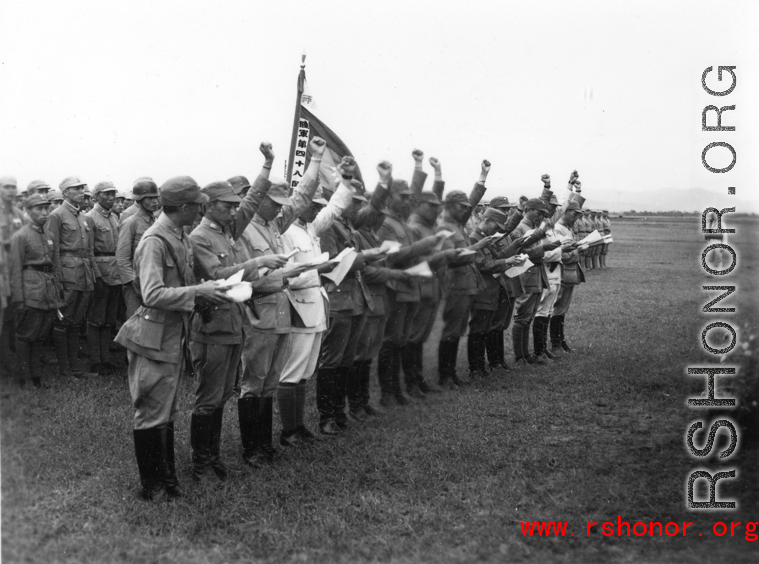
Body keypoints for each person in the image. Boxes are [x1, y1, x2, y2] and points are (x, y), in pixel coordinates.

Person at [115, 176, 231, 501]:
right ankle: (153, 487)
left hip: (170, 335)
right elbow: (151, 293)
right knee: (151, 410)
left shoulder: (178, 234)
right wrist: (198, 292)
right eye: (197, 205)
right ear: (183, 207)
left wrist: (207, 294)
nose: (201, 209)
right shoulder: (155, 240)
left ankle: (167, 481)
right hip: (152, 336)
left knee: (164, 411)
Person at [188, 157, 288, 481]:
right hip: (212, 326)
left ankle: (213, 457)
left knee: (221, 396)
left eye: (235, 207)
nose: (235, 212)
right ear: (209, 206)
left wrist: (267, 166)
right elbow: (217, 276)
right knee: (208, 397)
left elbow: (253, 199)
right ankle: (201, 462)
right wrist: (258, 262)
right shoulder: (201, 238)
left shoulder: (226, 230)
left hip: (232, 323)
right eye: (228, 207)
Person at [236, 139, 320, 466]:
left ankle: (264, 444)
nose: (278, 208)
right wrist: (285, 276)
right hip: (258, 315)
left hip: (280, 313)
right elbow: (244, 280)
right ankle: (250, 448)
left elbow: (300, 200)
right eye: (272, 202)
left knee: (270, 382)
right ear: (258, 201)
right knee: (253, 383)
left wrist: (315, 159)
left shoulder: (272, 224)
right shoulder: (242, 231)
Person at [277, 158, 356, 445]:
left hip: (316, 308)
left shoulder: (309, 228)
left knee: (306, 371)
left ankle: (298, 427)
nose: (319, 210)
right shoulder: (286, 233)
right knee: (292, 370)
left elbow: (334, 209)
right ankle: (289, 430)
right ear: (301, 205)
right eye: (314, 205)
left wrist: (345, 181)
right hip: (297, 306)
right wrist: (319, 273)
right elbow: (289, 278)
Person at [316, 163, 389, 435]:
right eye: (355, 202)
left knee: (346, 360)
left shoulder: (348, 226)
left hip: (356, 300)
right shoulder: (329, 228)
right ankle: (326, 415)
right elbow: (331, 265)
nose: (359, 207)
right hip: (339, 301)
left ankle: (339, 411)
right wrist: (364, 259)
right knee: (332, 361)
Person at [435, 161, 490, 389]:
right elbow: (449, 257)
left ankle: (451, 373)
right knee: (450, 331)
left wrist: (483, 175)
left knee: (457, 331)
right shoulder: (443, 227)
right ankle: (445, 375)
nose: (466, 209)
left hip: (466, 286)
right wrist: (475, 249)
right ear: (449, 206)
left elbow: (473, 200)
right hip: (454, 286)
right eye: (461, 207)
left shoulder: (458, 223)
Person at [405, 156, 457, 395]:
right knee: (413, 337)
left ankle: (417, 379)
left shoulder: (427, 225)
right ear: (418, 206)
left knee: (421, 337)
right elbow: (411, 263)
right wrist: (437, 259)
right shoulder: (414, 227)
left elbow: (434, 195)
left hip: (432, 288)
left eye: (438, 207)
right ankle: (412, 383)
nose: (436, 210)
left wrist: (438, 173)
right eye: (431, 207)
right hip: (419, 287)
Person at [47, 176, 99, 378]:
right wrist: (57, 279)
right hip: (67, 274)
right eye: (75, 188)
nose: (80, 191)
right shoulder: (57, 215)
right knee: (63, 321)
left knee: (77, 321)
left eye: (81, 188)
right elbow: (53, 250)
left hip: (84, 273)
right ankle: (65, 369)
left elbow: (91, 249)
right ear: (65, 192)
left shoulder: (84, 217)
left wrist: (94, 274)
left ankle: (75, 367)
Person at [9, 194, 61, 388]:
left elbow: (54, 265)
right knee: (25, 335)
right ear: (28, 211)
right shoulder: (21, 236)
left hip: (47, 291)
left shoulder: (49, 235)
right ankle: (24, 378)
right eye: (39, 208)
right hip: (30, 290)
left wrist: (57, 291)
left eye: (47, 208)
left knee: (39, 335)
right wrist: (19, 299)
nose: (44, 212)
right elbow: (14, 270)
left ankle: (37, 377)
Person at [467, 208, 525, 379]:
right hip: (482, 292)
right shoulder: (474, 239)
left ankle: (480, 366)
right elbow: (483, 264)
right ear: (487, 220)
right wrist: (506, 261)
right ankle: (474, 368)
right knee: (477, 331)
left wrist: (512, 251)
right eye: (496, 225)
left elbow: (495, 257)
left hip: (492, 291)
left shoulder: (486, 239)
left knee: (484, 330)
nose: (497, 230)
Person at [507, 198, 561, 367]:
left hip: (536, 272)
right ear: (528, 209)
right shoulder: (520, 228)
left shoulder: (531, 227)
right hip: (526, 273)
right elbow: (520, 252)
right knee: (523, 314)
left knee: (529, 316)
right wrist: (543, 249)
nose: (540, 217)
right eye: (538, 213)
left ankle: (525, 354)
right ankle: (519, 356)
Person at [86, 181, 122, 373]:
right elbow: (89, 250)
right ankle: (95, 360)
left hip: (115, 272)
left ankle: (105, 358)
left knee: (109, 318)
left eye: (113, 194)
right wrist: (96, 276)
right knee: (96, 318)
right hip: (100, 271)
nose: (111, 198)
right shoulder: (90, 218)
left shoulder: (115, 217)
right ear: (96, 196)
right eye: (107, 194)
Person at [116, 179, 160, 318]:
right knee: (135, 322)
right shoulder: (131, 222)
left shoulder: (157, 223)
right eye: (150, 198)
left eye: (156, 198)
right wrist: (133, 282)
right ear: (140, 200)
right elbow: (122, 257)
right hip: (135, 284)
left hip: (154, 282)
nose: (155, 202)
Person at [550, 198, 585, 355]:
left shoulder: (566, 228)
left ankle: (561, 341)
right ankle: (556, 343)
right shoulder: (558, 229)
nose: (577, 217)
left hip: (569, 274)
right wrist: (578, 251)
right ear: (568, 212)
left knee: (563, 309)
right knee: (558, 309)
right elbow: (561, 255)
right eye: (575, 214)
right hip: (563, 273)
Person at [0, 176, 27, 379]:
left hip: (14, 273)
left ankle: (8, 361)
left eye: (13, 187)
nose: (11, 190)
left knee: (10, 318)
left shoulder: (19, 214)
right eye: (6, 187)